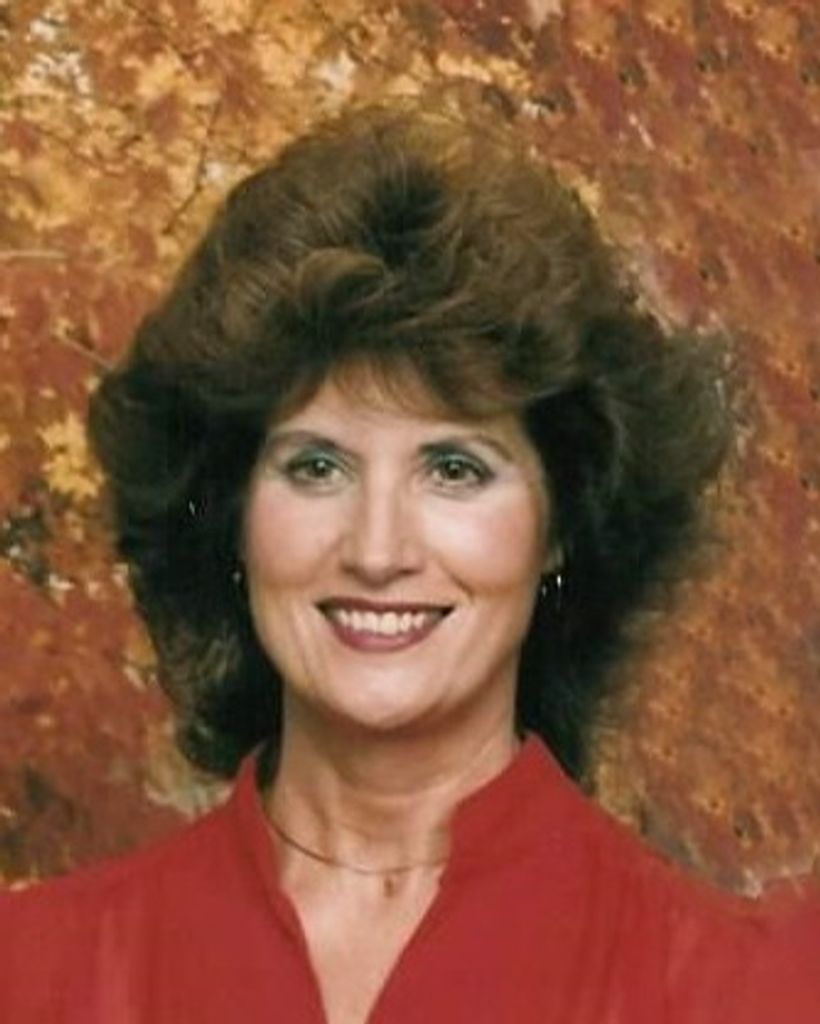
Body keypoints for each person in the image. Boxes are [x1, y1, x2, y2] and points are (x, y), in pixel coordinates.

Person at [1, 100, 817, 1023]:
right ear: (233, 514)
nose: (377, 551)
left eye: (454, 469)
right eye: (316, 467)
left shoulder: (742, 993)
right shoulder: (30, 977)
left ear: (560, 521)